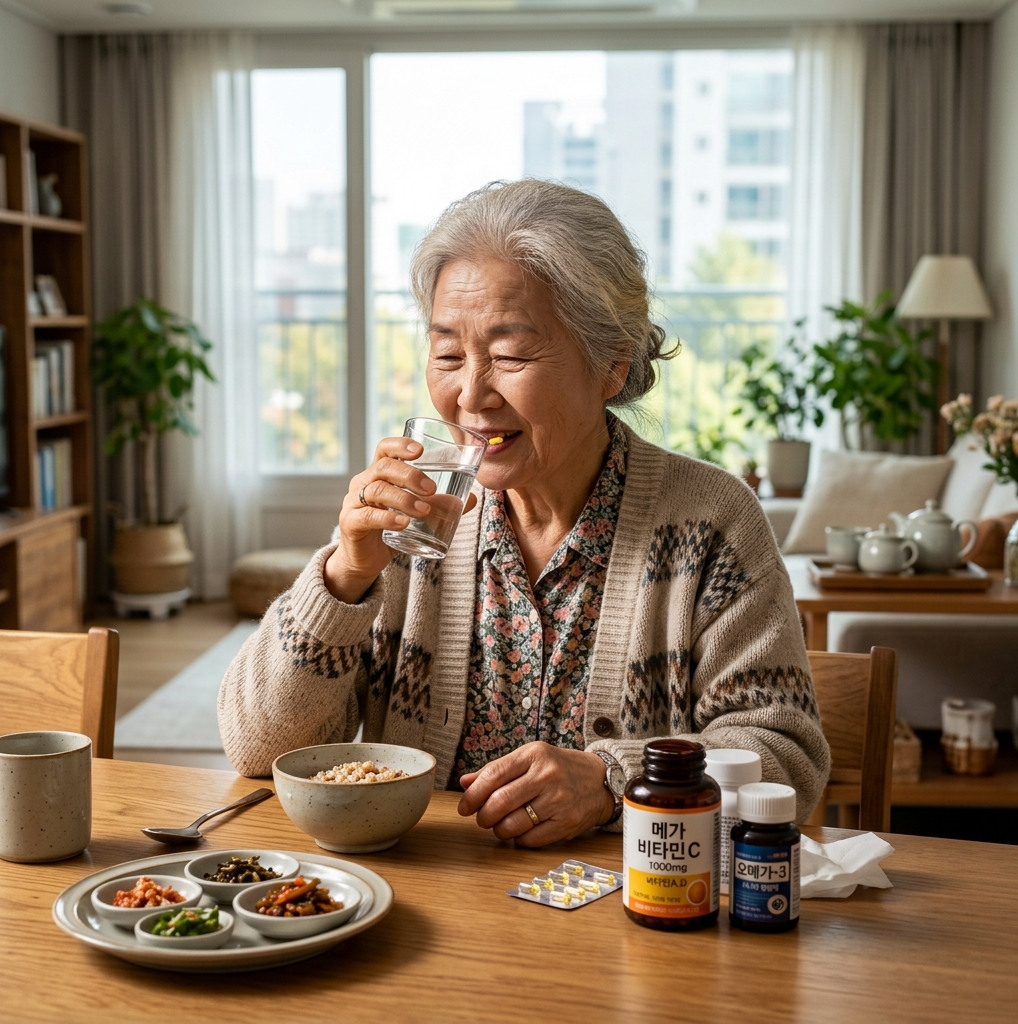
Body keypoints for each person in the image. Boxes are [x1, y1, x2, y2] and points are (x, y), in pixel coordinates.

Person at [218, 179, 830, 847]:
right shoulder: (415, 524)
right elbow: (256, 748)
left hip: (637, 914)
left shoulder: (709, 522)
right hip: (430, 909)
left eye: (510, 355)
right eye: (448, 354)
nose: (471, 395)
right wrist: (344, 575)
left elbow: (786, 760)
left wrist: (611, 783)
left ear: (612, 365)